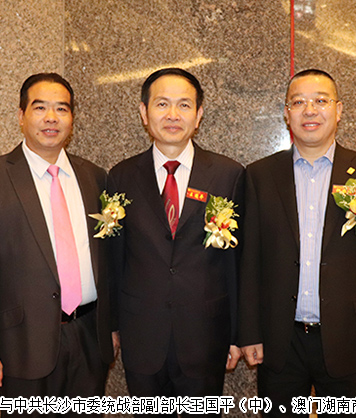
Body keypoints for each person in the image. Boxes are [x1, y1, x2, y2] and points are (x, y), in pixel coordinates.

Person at [238, 69, 356, 417]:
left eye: (321, 101)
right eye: (298, 102)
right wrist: (249, 332)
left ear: (338, 110)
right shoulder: (260, 175)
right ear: (286, 114)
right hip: (280, 340)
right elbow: (249, 263)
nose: (309, 110)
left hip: (349, 337)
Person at [0, 73, 116, 416]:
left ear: (72, 118)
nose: (51, 118)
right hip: (21, 345)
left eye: (62, 109)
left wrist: (111, 326)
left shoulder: (95, 178)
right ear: (21, 115)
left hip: (89, 338)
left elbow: (109, 260)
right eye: (40, 108)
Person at [108, 68, 244, 408]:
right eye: (162, 104)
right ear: (144, 113)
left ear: (198, 115)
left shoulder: (228, 175)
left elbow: (237, 264)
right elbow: (113, 261)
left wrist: (237, 335)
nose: (172, 115)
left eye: (184, 105)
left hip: (206, 336)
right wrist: (110, 327)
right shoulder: (121, 176)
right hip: (142, 337)